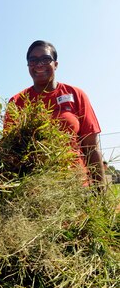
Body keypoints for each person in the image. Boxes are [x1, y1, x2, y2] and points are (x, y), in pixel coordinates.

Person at [8, 40, 105, 185]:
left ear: (56, 64)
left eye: (46, 59)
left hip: (76, 185)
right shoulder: (17, 102)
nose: (39, 64)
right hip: (34, 188)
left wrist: (100, 191)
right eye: (33, 60)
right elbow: (11, 153)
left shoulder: (76, 95)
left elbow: (91, 148)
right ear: (28, 66)